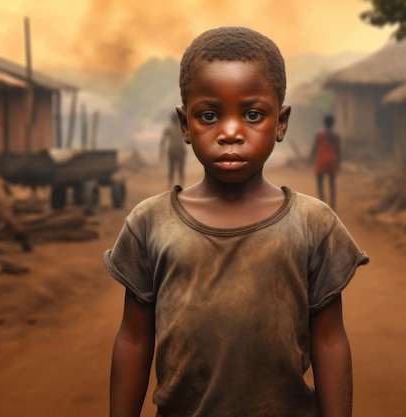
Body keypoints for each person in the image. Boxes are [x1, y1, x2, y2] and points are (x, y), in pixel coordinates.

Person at [103, 26, 368, 417]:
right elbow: (134, 339)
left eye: (253, 115)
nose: (230, 132)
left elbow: (329, 341)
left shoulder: (314, 224)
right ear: (184, 124)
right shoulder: (150, 223)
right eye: (209, 115)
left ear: (281, 122)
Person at [311, 114, 341, 210]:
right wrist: (338, 163)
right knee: (332, 183)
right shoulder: (336, 136)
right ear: (333, 123)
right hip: (333, 159)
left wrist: (310, 158)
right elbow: (338, 151)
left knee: (320, 182)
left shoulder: (320, 135)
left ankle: (322, 203)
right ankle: (332, 205)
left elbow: (315, 149)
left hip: (322, 160)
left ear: (324, 123)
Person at [160, 111, 187, 188]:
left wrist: (161, 152)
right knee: (181, 169)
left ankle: (170, 185)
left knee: (171, 168)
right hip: (180, 150)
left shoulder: (169, 128)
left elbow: (163, 140)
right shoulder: (182, 127)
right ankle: (182, 185)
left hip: (172, 150)